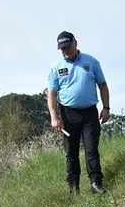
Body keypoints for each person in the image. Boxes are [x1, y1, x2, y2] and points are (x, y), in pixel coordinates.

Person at [47, 31, 110, 195]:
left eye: (67, 47)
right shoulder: (56, 68)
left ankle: (96, 183)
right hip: (68, 114)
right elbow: (52, 94)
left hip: (90, 113)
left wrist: (106, 108)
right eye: (62, 48)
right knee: (71, 152)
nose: (65, 51)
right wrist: (54, 117)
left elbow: (102, 85)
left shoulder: (91, 61)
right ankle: (73, 188)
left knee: (91, 150)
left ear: (75, 43)